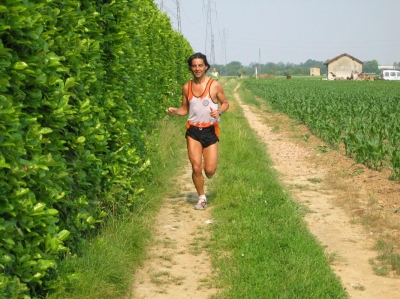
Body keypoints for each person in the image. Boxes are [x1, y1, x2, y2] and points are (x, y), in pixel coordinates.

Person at [168, 53, 229, 210]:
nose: (197, 68)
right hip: (193, 130)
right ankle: (201, 198)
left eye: (200, 65)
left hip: (210, 131)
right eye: (194, 66)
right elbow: (184, 109)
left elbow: (225, 103)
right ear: (190, 68)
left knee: (209, 170)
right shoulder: (186, 87)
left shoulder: (214, 85)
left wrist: (219, 112)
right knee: (196, 167)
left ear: (206, 67)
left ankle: (207, 174)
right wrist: (175, 111)